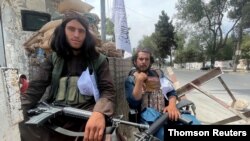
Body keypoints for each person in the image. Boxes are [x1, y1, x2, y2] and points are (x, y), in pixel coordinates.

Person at [19, 12, 115, 141]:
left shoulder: (98, 60)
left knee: (108, 135)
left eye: (81, 31)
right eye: (71, 29)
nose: (76, 35)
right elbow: (35, 89)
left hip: (86, 117)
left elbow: (108, 91)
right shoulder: (53, 58)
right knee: (22, 125)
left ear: (86, 35)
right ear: (63, 31)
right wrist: (17, 112)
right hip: (55, 116)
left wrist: (99, 113)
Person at [125, 48, 200, 140]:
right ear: (135, 61)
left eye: (147, 59)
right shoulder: (131, 79)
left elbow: (171, 91)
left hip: (168, 112)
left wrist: (172, 106)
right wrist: (139, 80)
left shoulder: (158, 74)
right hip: (149, 118)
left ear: (150, 61)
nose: (144, 61)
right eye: (141, 59)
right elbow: (133, 102)